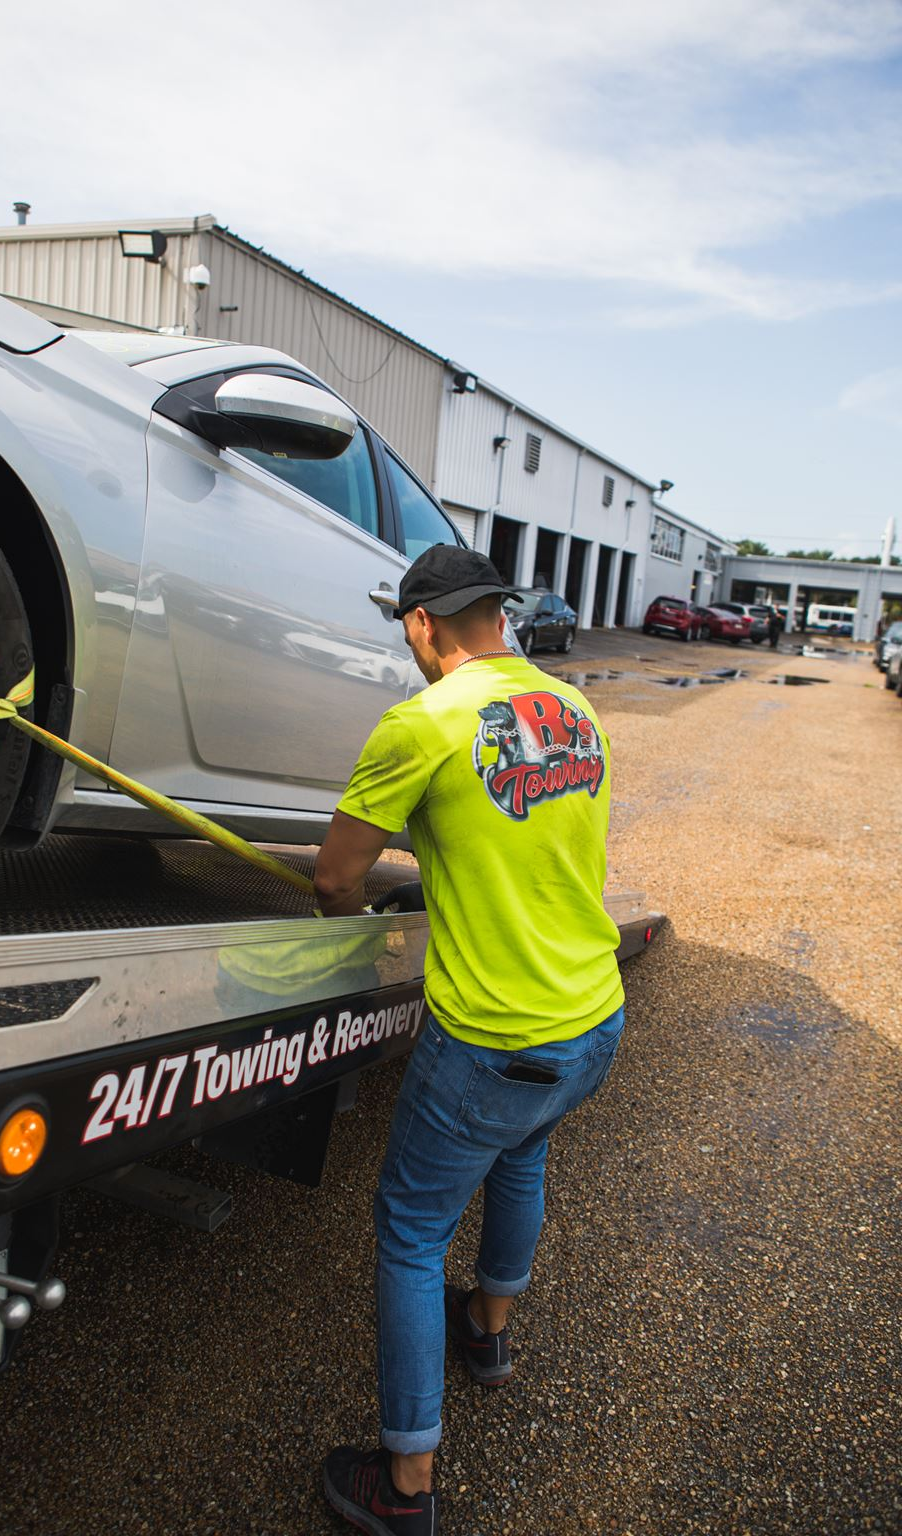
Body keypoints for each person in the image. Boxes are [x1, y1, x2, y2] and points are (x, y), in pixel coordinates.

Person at [315, 546, 626, 1536]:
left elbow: (333, 879)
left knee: (410, 1230)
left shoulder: (422, 722)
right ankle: (487, 1337)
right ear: (499, 614)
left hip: (492, 1038)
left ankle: (406, 1489)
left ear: (421, 625)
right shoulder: (580, 715)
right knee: (520, 1154)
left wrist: (364, 908)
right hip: (589, 1019)